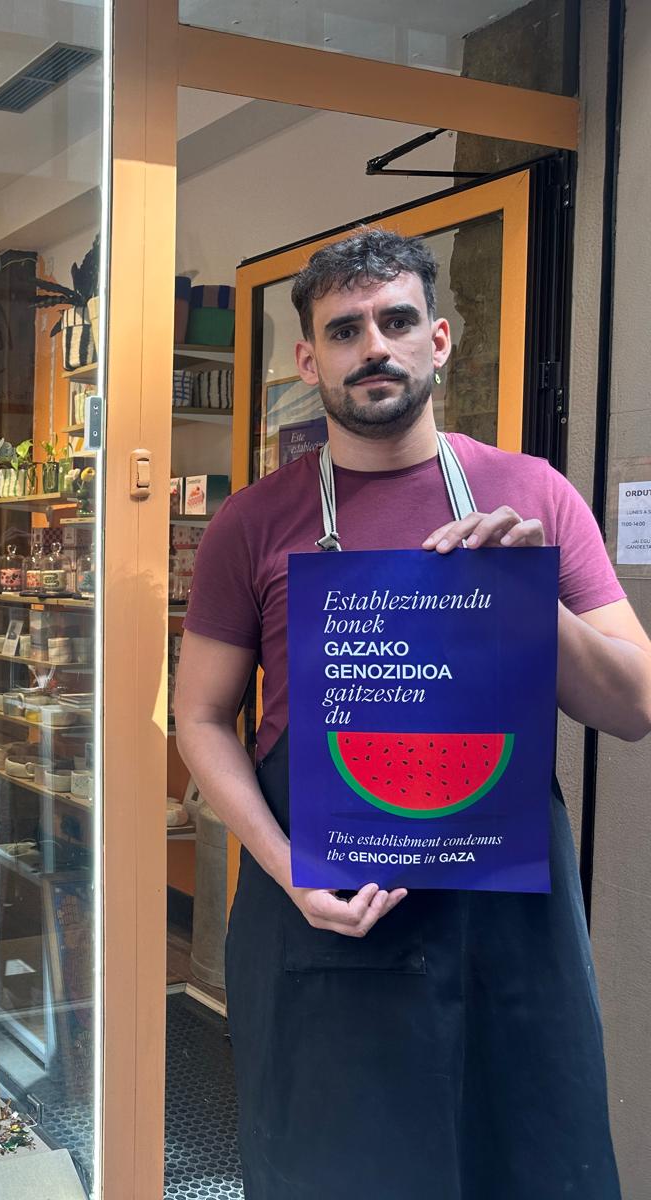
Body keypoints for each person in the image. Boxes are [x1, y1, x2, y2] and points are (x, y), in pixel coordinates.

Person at [175, 228, 651, 1199]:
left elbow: (635, 704)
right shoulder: (252, 522)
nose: (373, 348)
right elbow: (198, 717)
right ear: (309, 360)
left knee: (522, 1165)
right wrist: (287, 867)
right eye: (344, 330)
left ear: (438, 340)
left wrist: (534, 608)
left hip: (503, 925)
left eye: (394, 322)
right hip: (326, 909)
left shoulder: (534, 497)